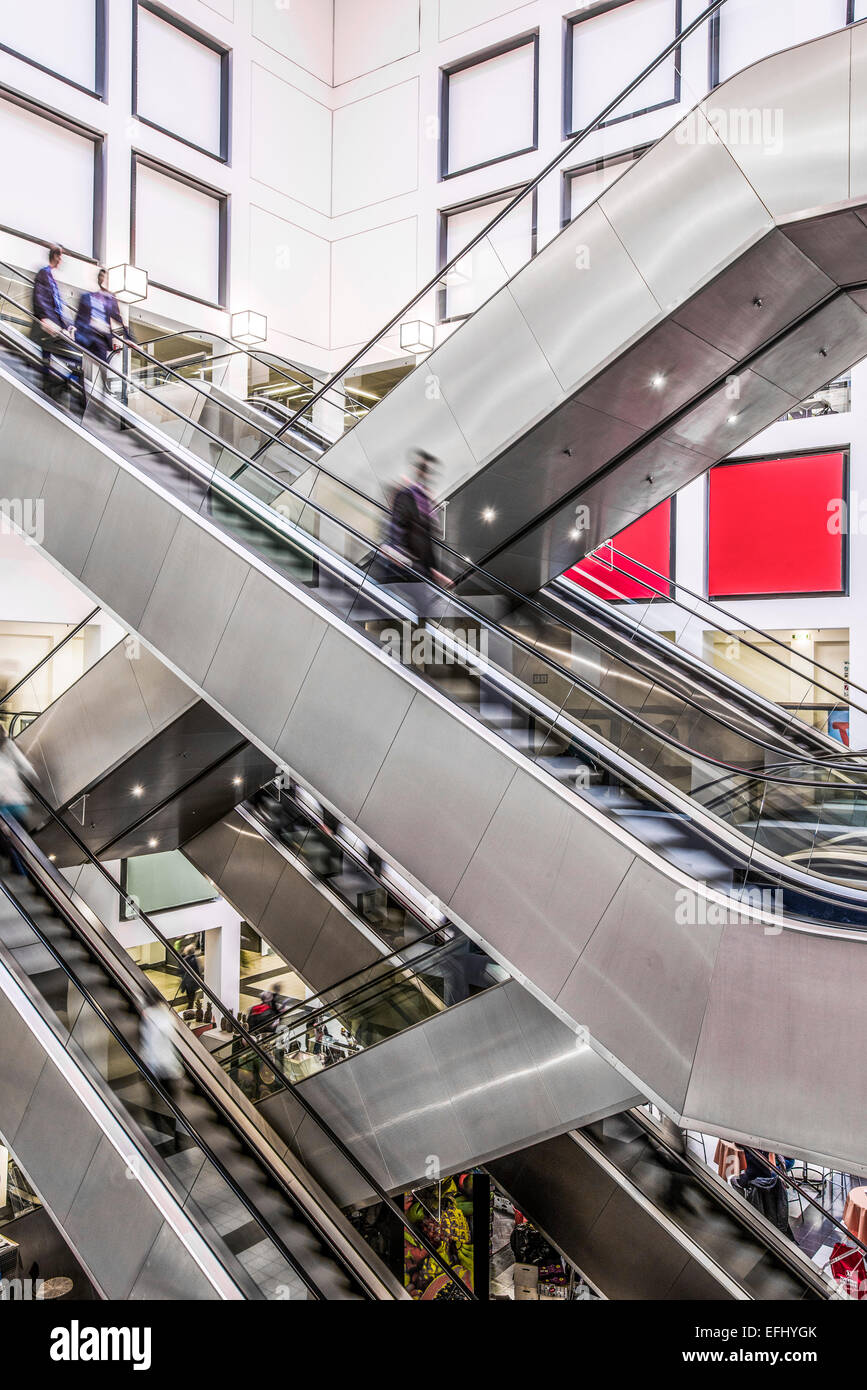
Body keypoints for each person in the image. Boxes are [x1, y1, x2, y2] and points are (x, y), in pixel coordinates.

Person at [387, 450, 453, 587]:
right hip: (408, 573)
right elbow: (398, 532)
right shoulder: (405, 496)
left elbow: (425, 541)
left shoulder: (426, 500)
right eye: (424, 469)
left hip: (422, 574)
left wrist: (434, 572)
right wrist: (412, 565)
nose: (428, 475)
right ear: (416, 469)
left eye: (430, 471)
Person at [32, 246, 83, 406]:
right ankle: (57, 390)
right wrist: (45, 319)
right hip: (49, 329)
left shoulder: (51, 278)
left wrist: (69, 326)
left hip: (56, 330)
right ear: (55, 256)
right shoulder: (44, 274)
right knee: (74, 358)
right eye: (60, 257)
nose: (62, 261)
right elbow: (40, 299)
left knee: (74, 360)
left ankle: (57, 388)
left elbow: (59, 308)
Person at [74, 268, 124, 392]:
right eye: (101, 277)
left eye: (105, 277)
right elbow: (79, 318)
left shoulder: (110, 298)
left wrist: (129, 338)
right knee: (83, 360)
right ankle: (80, 386)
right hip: (88, 334)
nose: (102, 280)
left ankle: (104, 393)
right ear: (98, 279)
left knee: (103, 366)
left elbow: (117, 317)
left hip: (101, 337)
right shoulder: (88, 297)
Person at [0, 726, 38, 874]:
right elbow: (27, 768)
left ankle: (22, 871)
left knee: (11, 842)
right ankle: (27, 871)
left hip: (5, 805)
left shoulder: (9, 746)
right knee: (19, 841)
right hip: (19, 803)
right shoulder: (9, 746)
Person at [178, 940, 202, 1012]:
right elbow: (197, 971)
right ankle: (190, 1005)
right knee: (191, 994)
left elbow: (181, 969)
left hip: (188, 981)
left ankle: (190, 1006)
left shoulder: (187, 960)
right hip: (192, 981)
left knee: (190, 994)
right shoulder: (194, 959)